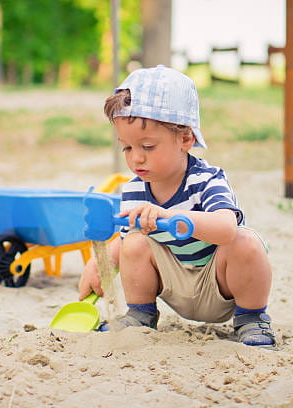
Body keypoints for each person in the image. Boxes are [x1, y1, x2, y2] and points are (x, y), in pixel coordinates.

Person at [78, 65, 276, 347]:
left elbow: (226, 229)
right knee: (133, 242)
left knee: (246, 241)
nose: (136, 159)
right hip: (173, 284)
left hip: (218, 281)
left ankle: (252, 318)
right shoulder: (134, 189)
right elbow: (124, 244)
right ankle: (140, 314)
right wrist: (99, 264)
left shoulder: (207, 179)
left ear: (185, 139)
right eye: (127, 147)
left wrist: (172, 215)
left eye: (147, 147)